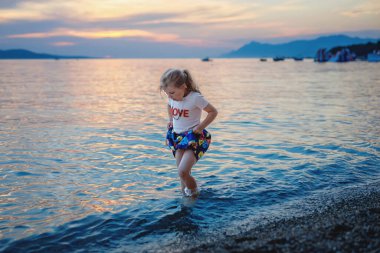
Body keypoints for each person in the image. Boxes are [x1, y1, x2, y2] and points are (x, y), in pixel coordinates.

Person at [160, 68, 218, 197]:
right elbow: (169, 105)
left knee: (183, 171)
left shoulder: (195, 98)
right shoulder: (172, 98)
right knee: (182, 175)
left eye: (172, 93)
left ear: (183, 87)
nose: (170, 97)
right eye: (167, 94)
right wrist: (171, 120)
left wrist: (200, 127)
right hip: (177, 138)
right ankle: (185, 199)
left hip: (194, 138)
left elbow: (213, 112)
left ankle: (194, 195)